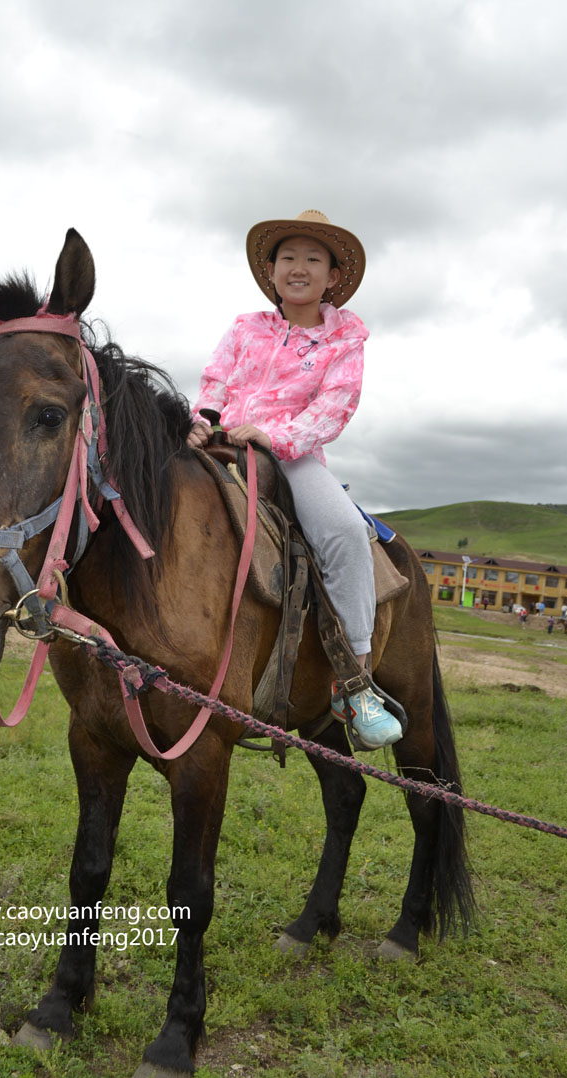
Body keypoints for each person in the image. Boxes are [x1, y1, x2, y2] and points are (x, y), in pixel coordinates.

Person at [187, 209, 402, 750]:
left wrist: (273, 436)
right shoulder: (245, 327)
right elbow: (215, 382)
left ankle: (355, 680)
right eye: (288, 257)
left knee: (344, 533)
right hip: (221, 443)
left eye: (313, 259)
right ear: (272, 270)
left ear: (332, 277)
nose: (298, 267)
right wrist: (201, 423)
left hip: (293, 454)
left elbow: (336, 406)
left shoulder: (345, 339)